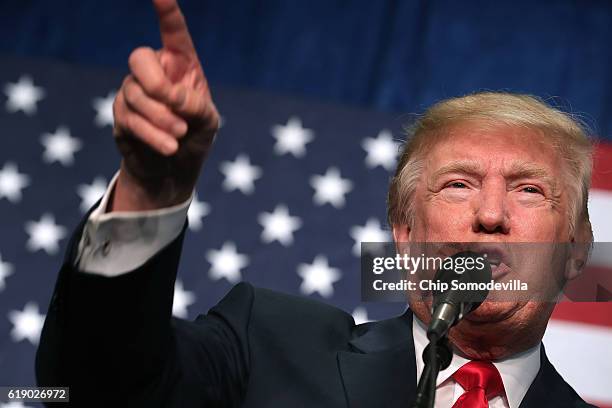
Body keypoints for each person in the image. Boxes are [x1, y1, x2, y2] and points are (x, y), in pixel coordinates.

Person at [35, 0, 597, 407]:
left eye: (529, 189)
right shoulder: (268, 345)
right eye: (457, 184)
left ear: (576, 249)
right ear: (404, 234)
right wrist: (150, 193)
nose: (491, 215)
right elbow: (92, 387)